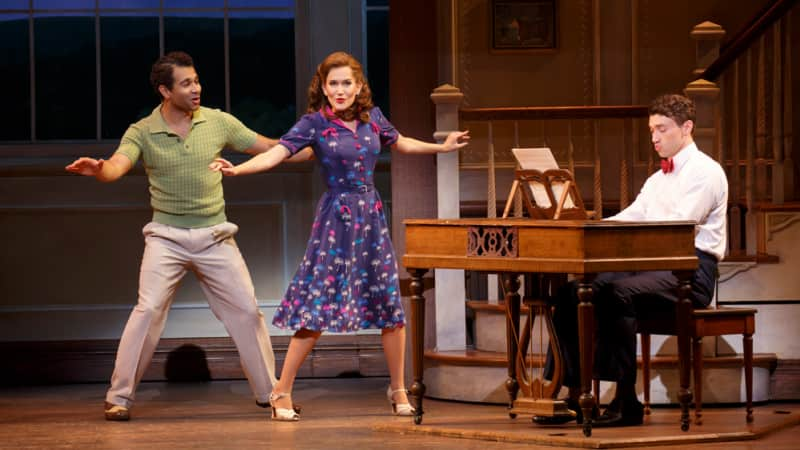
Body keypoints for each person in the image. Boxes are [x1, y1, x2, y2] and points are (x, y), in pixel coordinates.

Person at [209, 51, 470, 421]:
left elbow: (403, 143)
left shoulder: (373, 118)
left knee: (389, 308)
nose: (341, 89)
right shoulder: (314, 124)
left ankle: (398, 390)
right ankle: (280, 392)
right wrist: (238, 171)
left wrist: (440, 148)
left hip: (372, 218)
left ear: (359, 86)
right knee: (317, 306)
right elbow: (277, 154)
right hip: (336, 221)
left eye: (347, 82)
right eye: (333, 84)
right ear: (324, 88)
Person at [66, 51, 310, 421]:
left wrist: (308, 147)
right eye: (186, 83)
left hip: (215, 236)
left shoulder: (217, 121)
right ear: (165, 90)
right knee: (147, 311)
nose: (196, 88)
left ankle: (270, 394)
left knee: (246, 312)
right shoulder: (143, 131)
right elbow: (117, 166)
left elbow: (269, 148)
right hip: (166, 237)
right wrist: (99, 170)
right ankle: (119, 398)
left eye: (196, 81)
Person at [541, 93, 728, 427]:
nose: (654, 137)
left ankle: (625, 399)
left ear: (686, 127)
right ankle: (571, 393)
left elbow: (677, 230)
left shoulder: (705, 173)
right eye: (651, 130)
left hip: (690, 271)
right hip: (651, 265)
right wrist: (590, 227)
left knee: (615, 294)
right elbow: (632, 216)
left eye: (662, 129)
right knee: (571, 293)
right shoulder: (657, 179)